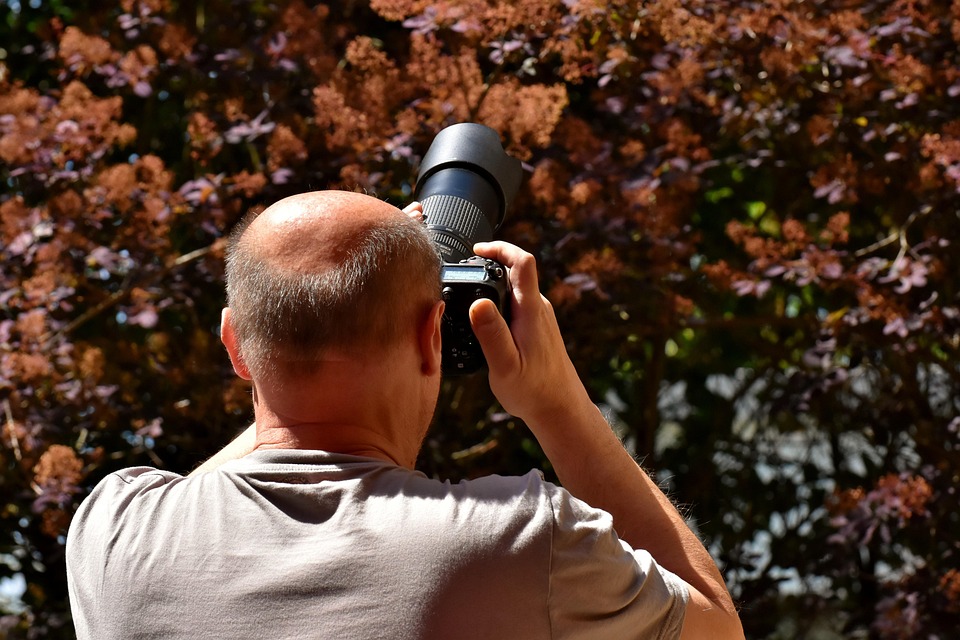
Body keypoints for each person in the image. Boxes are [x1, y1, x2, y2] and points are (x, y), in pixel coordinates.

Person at [66, 190, 743, 639]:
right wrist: (556, 400)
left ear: (233, 346)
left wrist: (305, 333)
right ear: (433, 336)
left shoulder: (115, 533)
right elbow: (717, 628)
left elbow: (260, 437)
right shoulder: (521, 541)